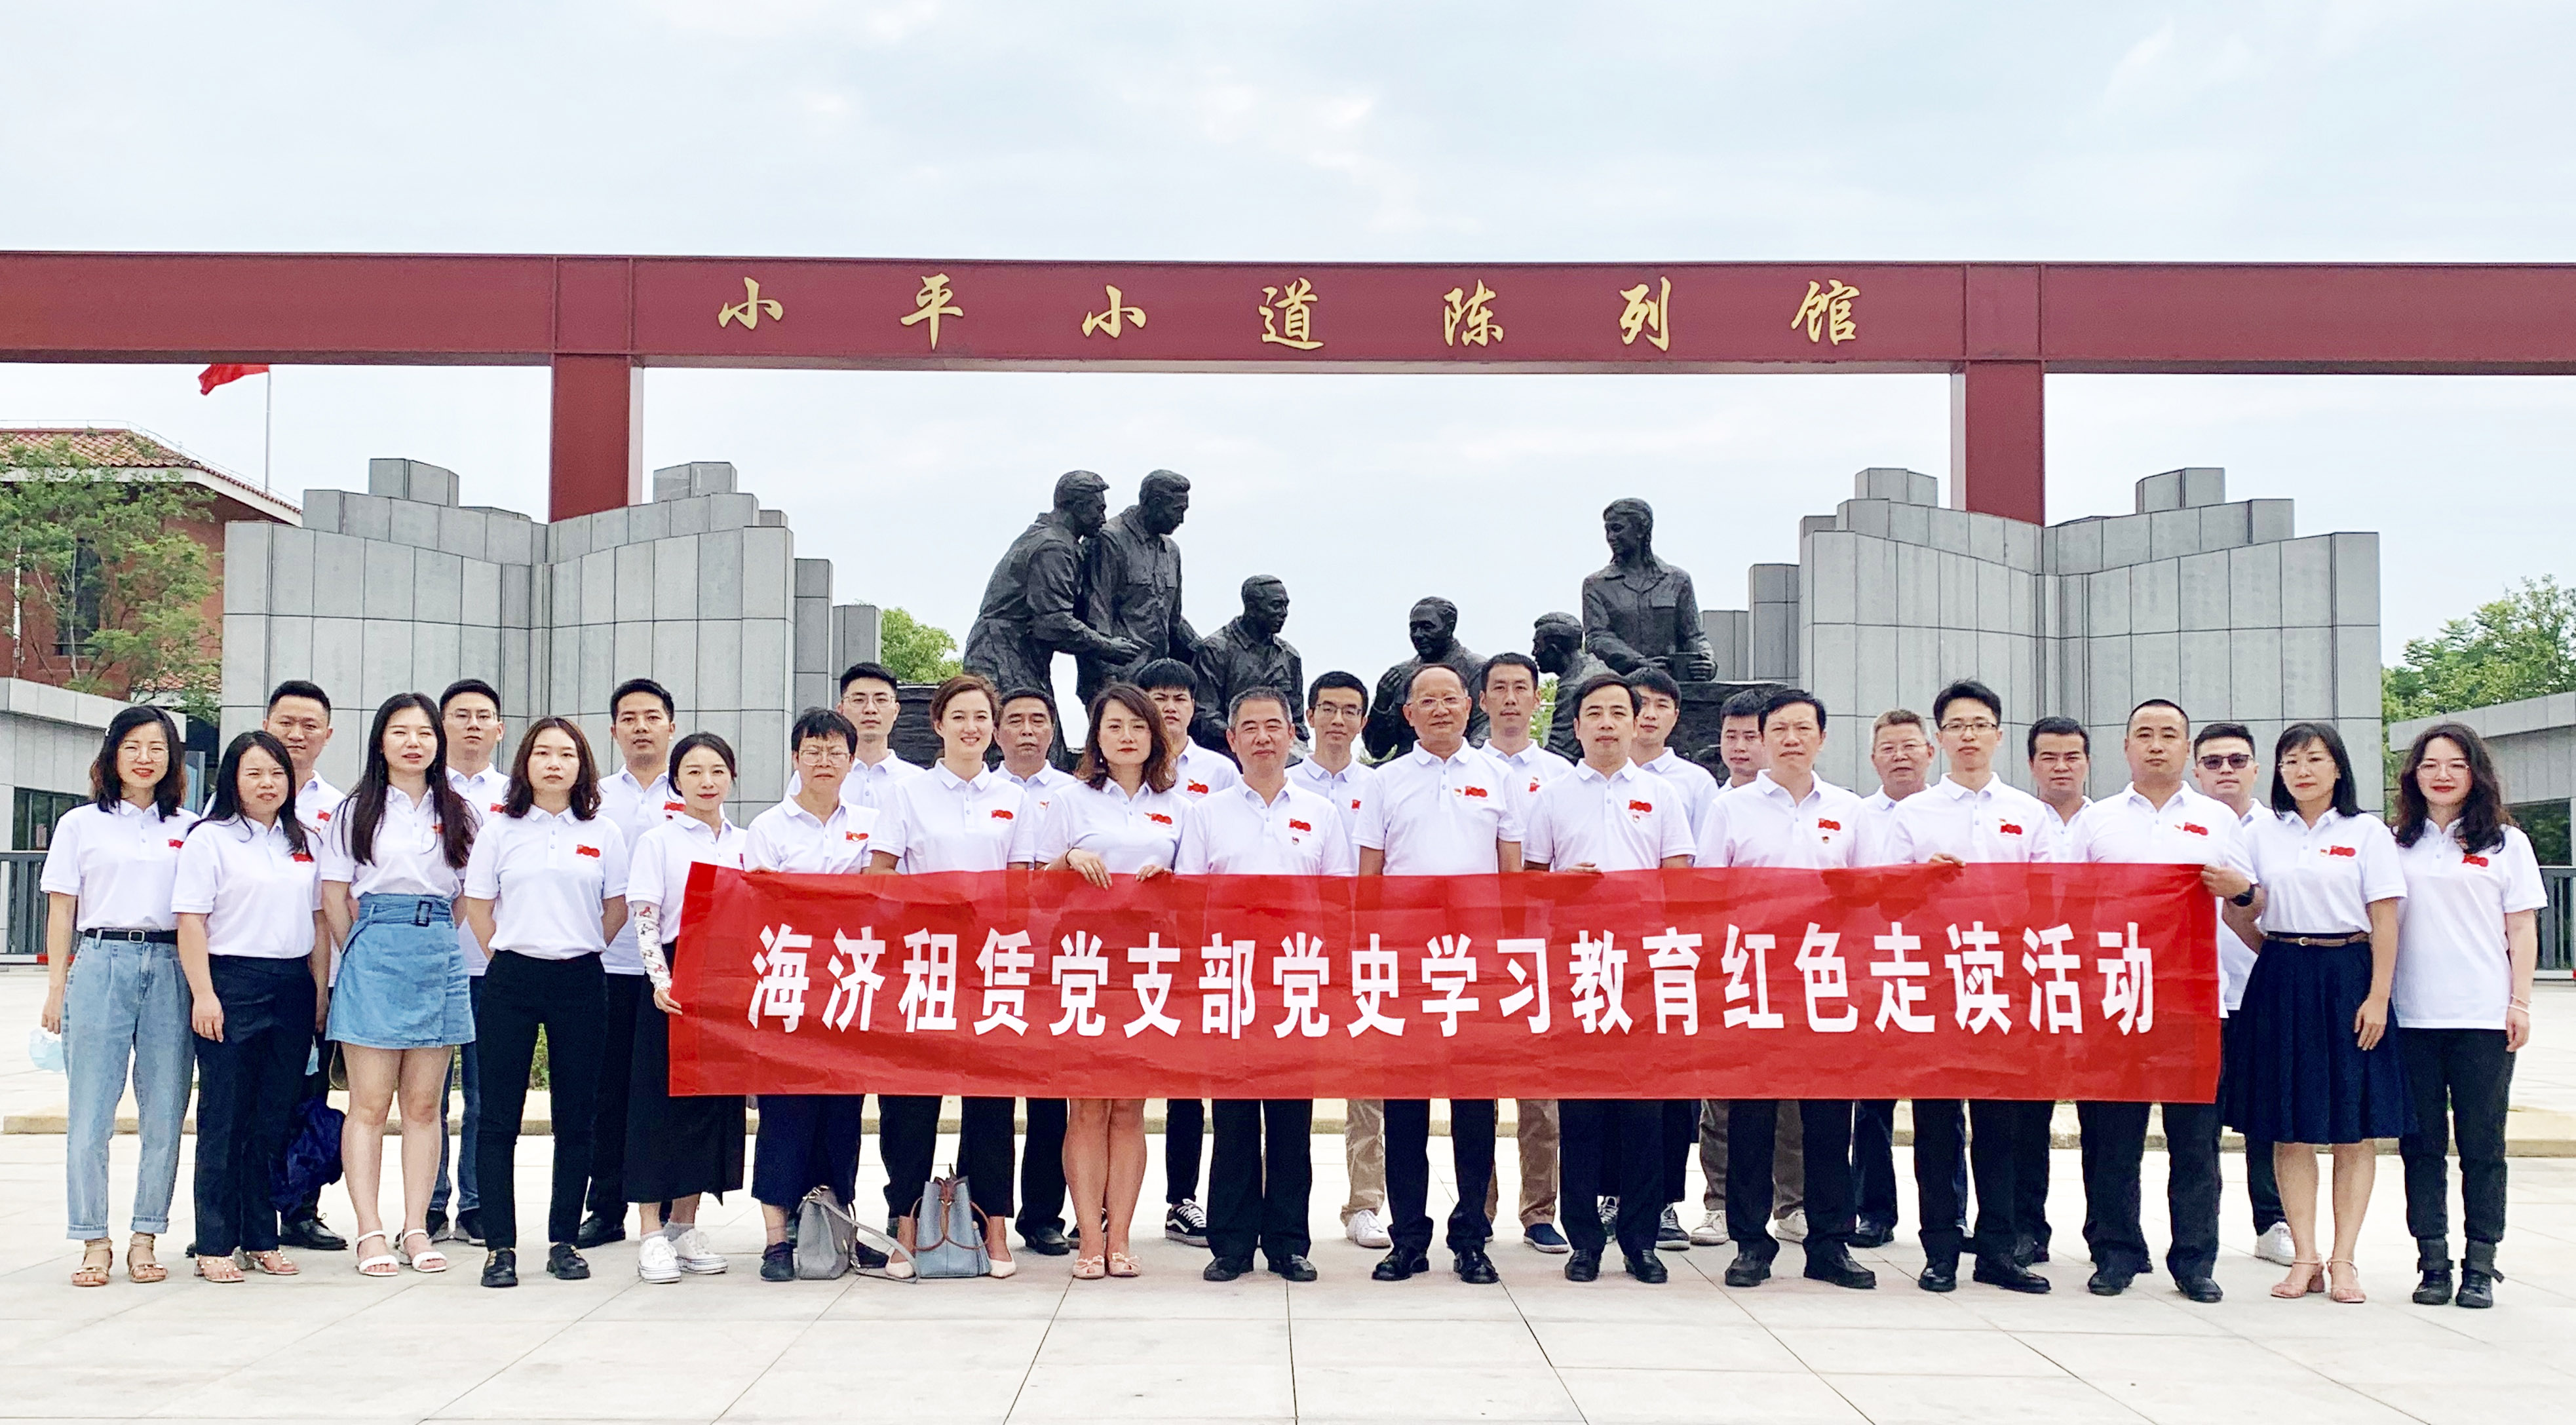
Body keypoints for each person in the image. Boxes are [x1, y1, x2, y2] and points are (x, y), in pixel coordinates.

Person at [2060, 699, 2255, 1304]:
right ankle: (2115, 1252)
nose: (2155, 744)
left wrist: (2240, 890)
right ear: (2125, 747)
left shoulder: (2216, 819)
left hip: (2192, 1002)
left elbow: (2251, 902)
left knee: (2194, 1140)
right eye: (2143, 734)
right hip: (2115, 999)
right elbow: (2064, 903)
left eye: (2168, 734)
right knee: (2111, 1137)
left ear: (2185, 749)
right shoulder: (2095, 821)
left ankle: (2194, 1260)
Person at [2222, 721, 2412, 1305]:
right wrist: (2281, 955)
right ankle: (2303, 1255)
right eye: (2290, 761)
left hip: (2350, 973)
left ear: (2337, 767)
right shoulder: (2261, 832)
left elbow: (2385, 919)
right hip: (2280, 975)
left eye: (2314, 759)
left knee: (2354, 1127)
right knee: (2289, 1123)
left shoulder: (2366, 831)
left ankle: (2344, 1258)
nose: (2301, 771)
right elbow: (2238, 909)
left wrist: (2377, 995)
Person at [1694, 688, 1877, 1291]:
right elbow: (1706, 896)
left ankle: (1830, 1242)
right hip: (1754, 979)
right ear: (1764, 739)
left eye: (1803, 728)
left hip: (1826, 983)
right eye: (1779, 729)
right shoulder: (1731, 808)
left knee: (1828, 1118)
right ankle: (1751, 1242)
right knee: (1751, 1117)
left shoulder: (1850, 809)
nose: (1791, 739)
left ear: (1822, 738)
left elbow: (1870, 896)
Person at [1880, 681, 2054, 1295]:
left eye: (1979, 724)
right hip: (1935, 978)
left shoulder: (2029, 813)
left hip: (2005, 979)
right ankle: (1939, 1249)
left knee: (2001, 1121)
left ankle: (1999, 1248)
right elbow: (1886, 902)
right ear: (1939, 739)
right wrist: (1918, 881)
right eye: (1956, 725)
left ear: (1998, 735)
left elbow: (2051, 898)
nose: (1968, 735)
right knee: (1935, 1121)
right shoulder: (1914, 813)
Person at [1524, 673, 1695, 1283]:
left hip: (1643, 971)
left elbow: (1679, 881)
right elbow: (1528, 884)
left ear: (1634, 722)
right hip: (1578, 969)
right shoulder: (1550, 796)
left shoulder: (1661, 794)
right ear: (1575, 726)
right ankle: (1585, 1241)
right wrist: (1562, 887)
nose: (1605, 723)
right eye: (1593, 712)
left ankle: (1640, 1239)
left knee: (1643, 1112)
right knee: (1581, 1113)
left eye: (1617, 712)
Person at [1178, 686, 1352, 1283]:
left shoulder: (1321, 814)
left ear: (1291, 734)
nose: (1262, 737)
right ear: (1231, 739)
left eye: (1272, 726)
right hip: (1230, 980)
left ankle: (1287, 1242)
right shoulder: (1205, 813)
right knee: (1231, 1119)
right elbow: (1190, 903)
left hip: (1296, 982)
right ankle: (1229, 1244)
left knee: (1290, 1120)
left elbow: (1338, 903)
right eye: (1248, 727)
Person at [1356, 662, 1520, 1285]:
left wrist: (1506, 955)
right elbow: (1369, 875)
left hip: (1475, 967)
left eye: (1449, 698)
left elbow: (1510, 873)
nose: (1439, 709)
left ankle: (1471, 1238)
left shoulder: (1498, 776)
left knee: (1474, 1107)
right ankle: (1408, 1238)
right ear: (1408, 714)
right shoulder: (1385, 781)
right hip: (1405, 966)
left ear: (1468, 705)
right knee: (1405, 1108)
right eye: (1426, 701)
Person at [460, 717, 630, 1289]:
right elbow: (479, 903)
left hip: (580, 977)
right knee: (496, 1117)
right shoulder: (500, 828)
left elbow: (615, 906)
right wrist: (508, 951)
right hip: (512, 977)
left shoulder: (603, 831)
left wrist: (579, 944)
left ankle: (563, 1240)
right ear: (525, 763)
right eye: (542, 753)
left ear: (582, 764)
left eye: (566, 754)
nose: (554, 764)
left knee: (576, 1117)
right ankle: (500, 1246)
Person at [870, 673, 1026, 1278]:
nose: (971, 727)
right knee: (910, 1099)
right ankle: (907, 1222)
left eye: (981, 717)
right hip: (923, 962)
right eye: (958, 716)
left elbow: (1022, 884)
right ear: (938, 724)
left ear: (993, 727)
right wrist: (935, 902)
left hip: (992, 966)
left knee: (991, 1101)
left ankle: (992, 1224)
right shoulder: (907, 794)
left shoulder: (1013, 796)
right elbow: (880, 875)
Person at [1026, 683, 1185, 1280]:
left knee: (1129, 1105)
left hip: (1149, 963)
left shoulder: (1179, 803)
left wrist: (1170, 878)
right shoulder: (1070, 800)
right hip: (1084, 962)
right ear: (1095, 735)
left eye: (1138, 726)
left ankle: (1121, 1237)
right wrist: (1068, 861)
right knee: (1088, 1104)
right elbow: (1037, 888)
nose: (1126, 736)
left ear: (1154, 735)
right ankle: (1089, 1238)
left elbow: (1199, 887)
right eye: (1114, 725)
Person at [318, 694, 479, 1278]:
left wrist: (431, 934)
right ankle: (369, 1229)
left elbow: (466, 894)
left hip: (437, 950)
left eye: (424, 733)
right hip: (373, 950)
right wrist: (362, 948)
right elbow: (333, 895)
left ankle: (416, 1226)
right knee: (368, 1104)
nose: (414, 743)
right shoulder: (354, 809)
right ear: (380, 741)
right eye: (400, 731)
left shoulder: (460, 811)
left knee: (424, 1104)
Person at [41, 706, 195, 1287]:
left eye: (157, 747)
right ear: (112, 755)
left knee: (165, 1111)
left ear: (172, 758)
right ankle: (93, 1239)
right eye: (132, 746)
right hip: (101, 960)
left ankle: (146, 1236)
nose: (144, 758)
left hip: (171, 965)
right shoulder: (80, 824)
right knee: (90, 1113)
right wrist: (57, 988)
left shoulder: (191, 826)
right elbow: (62, 910)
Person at [2389, 723, 2541, 1310]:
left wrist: (2519, 1001)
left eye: (2456, 764)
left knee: (2482, 1144)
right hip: (2411, 1016)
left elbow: (2521, 927)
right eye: (2430, 764)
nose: (2442, 775)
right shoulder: (2395, 842)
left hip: (2482, 1015)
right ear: (2413, 775)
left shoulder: (2505, 843)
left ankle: (2480, 1262)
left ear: (2475, 773)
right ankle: (2432, 1261)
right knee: (2420, 1145)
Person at [174, 731, 329, 1283]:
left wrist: (319, 992)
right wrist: (204, 993)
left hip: (292, 985)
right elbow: (191, 920)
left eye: (277, 773)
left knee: (272, 1118)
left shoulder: (304, 840)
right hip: (231, 983)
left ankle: (262, 1235)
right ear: (232, 780)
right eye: (255, 773)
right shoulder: (209, 839)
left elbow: (318, 922)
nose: (268, 784)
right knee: (224, 1116)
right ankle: (215, 1239)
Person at [743, 709, 877, 1282]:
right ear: (796, 757)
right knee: (785, 1114)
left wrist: (818, 896)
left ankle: (836, 1230)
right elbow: (765, 903)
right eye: (813, 751)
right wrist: (840, 893)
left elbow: (879, 897)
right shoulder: (768, 827)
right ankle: (777, 1240)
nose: (825, 761)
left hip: (851, 985)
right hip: (788, 985)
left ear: (851, 760)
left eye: (835, 752)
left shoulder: (871, 823)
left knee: (842, 1115)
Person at [626, 732, 751, 1285]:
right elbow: (645, 917)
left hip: (728, 979)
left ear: (731, 778)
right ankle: (650, 1230)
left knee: (710, 1106)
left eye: (717, 770)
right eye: (694, 771)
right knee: (659, 1104)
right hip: (674, 979)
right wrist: (661, 979)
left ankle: (685, 1222)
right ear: (676, 780)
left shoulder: (747, 843)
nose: (706, 781)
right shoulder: (659, 841)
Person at [1286, 670, 1390, 1253]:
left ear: (1363, 720)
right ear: (1309, 716)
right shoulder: (1283, 781)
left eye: (1350, 710)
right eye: (1327, 708)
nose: (1337, 720)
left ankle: (1364, 1203)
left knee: (1366, 1081)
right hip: (1293, 953)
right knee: (1285, 1082)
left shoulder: (1377, 785)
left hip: (1362, 947)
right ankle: (1278, 1202)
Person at [1133, 656, 1235, 1245]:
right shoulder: (1124, 768)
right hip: (1128, 947)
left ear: (1194, 707)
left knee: (1189, 1082)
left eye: (1179, 697)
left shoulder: (1218, 772)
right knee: (1119, 1080)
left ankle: (1183, 1199)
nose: (1169, 707)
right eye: (1158, 696)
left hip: (1197, 946)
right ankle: (1103, 1202)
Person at [1477, 651, 1573, 1255]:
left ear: (1538, 700)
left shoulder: (1563, 775)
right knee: (1477, 1091)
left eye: (1521, 688)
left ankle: (1539, 1210)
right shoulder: (1465, 769)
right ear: (1482, 700)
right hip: (1478, 953)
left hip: (1541, 952)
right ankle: (1478, 1207)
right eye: (1499, 688)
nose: (1511, 698)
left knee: (1539, 1094)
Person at [580, 677, 678, 1250]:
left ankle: (665, 1203)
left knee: (662, 1092)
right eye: (630, 718)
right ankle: (606, 1205)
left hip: (674, 971)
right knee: (608, 1091)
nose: (642, 727)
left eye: (652, 716)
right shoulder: (593, 797)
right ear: (613, 730)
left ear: (671, 726)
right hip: (610, 964)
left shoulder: (692, 787)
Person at [1627, 666, 1722, 1249]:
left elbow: (1701, 871)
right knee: (1606, 1082)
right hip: (1601, 954)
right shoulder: (1583, 777)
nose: (1647, 713)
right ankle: (1611, 1195)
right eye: (1638, 702)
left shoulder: (1693, 783)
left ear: (1675, 716)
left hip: (1670, 951)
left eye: (1660, 704)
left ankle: (1663, 1201)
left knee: (1669, 1084)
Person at [1690, 687, 1786, 1249]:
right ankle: (1719, 1204)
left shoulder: (1821, 805)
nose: (1741, 746)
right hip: (1731, 968)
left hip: (1798, 971)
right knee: (1724, 1095)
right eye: (1732, 735)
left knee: (1794, 1097)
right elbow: (1704, 891)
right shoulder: (1718, 805)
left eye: (1752, 735)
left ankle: (1793, 1204)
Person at [2191, 721, 2290, 1266]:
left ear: (2255, 768)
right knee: (2199, 1123)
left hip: (2265, 990)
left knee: (2267, 1114)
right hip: (2198, 996)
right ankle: (2198, 1232)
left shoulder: (2282, 831)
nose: (2224, 770)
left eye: (2235, 760)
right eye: (2212, 762)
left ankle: (2272, 1221)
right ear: (2196, 770)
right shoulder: (2187, 824)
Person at [261, 680, 347, 1254]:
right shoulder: (227, 804)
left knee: (309, 1098)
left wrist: (325, 986)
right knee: (245, 1099)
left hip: (317, 976)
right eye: (286, 722)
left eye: (309, 725)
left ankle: (300, 1210)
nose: (296, 734)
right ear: (267, 724)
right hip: (245, 975)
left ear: (327, 735)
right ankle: (239, 1210)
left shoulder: (339, 808)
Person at [995, 687, 1076, 1257]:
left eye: (1038, 720)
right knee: (991, 1099)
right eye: (1015, 720)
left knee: (1051, 1100)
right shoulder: (979, 789)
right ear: (997, 731)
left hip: (1057, 960)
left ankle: (1043, 1214)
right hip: (990, 961)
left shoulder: (1075, 794)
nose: (1027, 730)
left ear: (1052, 730)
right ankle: (984, 1211)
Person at [1852, 708, 1934, 1251]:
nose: (1899, 756)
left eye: (1909, 746)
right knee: (1871, 1103)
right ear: (1872, 757)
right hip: (1872, 971)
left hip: (1940, 973)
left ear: (1930, 751)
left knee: (1939, 1104)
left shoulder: (1947, 812)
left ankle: (1948, 1215)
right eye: (1888, 747)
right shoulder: (1856, 816)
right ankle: (1873, 1211)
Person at [432, 679, 509, 1245]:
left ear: (499, 730)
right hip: (432, 962)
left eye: (484, 716)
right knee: (427, 1096)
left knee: (484, 1097)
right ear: (442, 726)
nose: (473, 725)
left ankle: (477, 1202)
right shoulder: (421, 790)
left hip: (493, 967)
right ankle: (431, 1201)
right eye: (461, 715)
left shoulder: (515, 795)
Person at [1076, 468, 1199, 702]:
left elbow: (1173, 619)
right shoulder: (1108, 539)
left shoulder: (1171, 551)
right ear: (1156, 503)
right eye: (1177, 511)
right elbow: (1095, 611)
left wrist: (1207, 651)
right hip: (1115, 680)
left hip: (1157, 684)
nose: (1181, 520)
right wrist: (1109, 679)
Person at [1189, 575, 1307, 752]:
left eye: (1286, 606)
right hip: (1228, 751)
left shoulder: (1290, 656)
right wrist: (1246, 739)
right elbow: (1204, 716)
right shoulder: (1216, 650)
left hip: (1281, 754)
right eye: (1276, 605)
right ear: (1251, 608)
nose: (1283, 613)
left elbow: (1297, 721)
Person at [1364, 597, 1488, 758]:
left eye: (1427, 627)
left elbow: (1487, 726)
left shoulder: (1476, 669)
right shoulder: (1399, 675)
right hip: (1407, 766)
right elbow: (1377, 750)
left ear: (1450, 627)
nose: (1418, 635)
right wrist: (1381, 707)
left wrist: (1465, 762)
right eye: (1414, 628)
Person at [834, 662, 926, 813]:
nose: (870, 709)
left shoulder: (919, 782)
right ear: (841, 710)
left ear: (896, 711)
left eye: (881, 700)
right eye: (859, 700)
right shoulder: (816, 776)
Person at [2029, 716, 2092, 826]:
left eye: (2072, 758)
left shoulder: (2107, 820)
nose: (2061, 767)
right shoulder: (2019, 820)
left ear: (2088, 763)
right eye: (2049, 758)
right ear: (2031, 764)